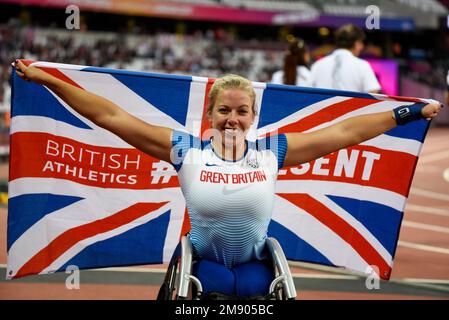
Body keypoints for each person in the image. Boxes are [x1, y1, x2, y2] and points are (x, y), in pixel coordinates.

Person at [13, 60, 441, 298]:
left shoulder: (272, 151)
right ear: (210, 114)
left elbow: (344, 133)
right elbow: (109, 115)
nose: (232, 119)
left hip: (256, 264)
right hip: (204, 264)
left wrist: (405, 113)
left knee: (255, 289)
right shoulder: (186, 150)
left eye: (241, 112)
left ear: (253, 117)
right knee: (215, 288)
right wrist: (47, 78)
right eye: (224, 111)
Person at [309, 24, 381, 93]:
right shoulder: (362, 66)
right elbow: (373, 93)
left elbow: (308, 92)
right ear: (357, 44)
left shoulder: (318, 65)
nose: (362, 47)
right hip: (353, 106)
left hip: (323, 106)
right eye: (361, 43)